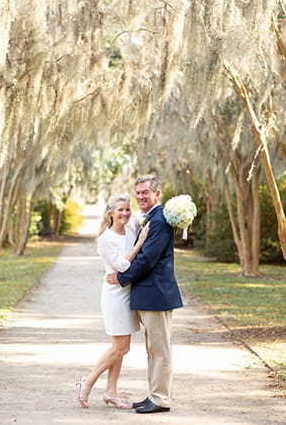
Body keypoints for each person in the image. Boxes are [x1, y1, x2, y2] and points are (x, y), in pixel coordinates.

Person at [106, 175, 183, 414]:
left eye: (145, 192)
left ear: (157, 194)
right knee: (153, 349)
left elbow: (147, 259)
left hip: (157, 295)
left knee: (160, 350)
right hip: (149, 295)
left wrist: (121, 277)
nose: (140, 196)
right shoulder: (150, 218)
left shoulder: (159, 220)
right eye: (137, 192)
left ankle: (161, 399)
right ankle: (154, 395)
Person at [76, 193, 149, 409]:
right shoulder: (105, 239)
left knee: (122, 348)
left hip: (128, 293)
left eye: (128, 209)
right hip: (115, 296)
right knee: (120, 347)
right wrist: (140, 243)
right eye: (121, 210)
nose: (125, 213)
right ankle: (87, 382)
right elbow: (123, 266)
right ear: (111, 213)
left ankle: (111, 392)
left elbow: (149, 215)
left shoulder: (132, 226)